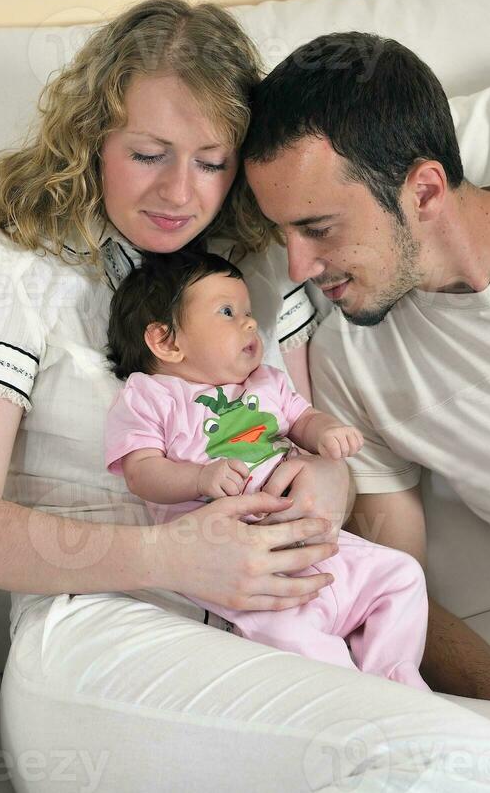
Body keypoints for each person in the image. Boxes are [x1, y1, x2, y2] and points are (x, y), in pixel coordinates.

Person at [0, 0, 490, 793]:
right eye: (149, 153)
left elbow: (303, 444)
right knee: (463, 762)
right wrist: (169, 556)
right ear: (92, 137)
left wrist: (325, 483)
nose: (178, 193)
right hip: (107, 627)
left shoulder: (263, 266)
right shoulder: (2, 270)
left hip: (288, 616)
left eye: (210, 160)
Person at [242, 30, 490, 712]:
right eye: (282, 235)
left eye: (318, 227)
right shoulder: (350, 369)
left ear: (424, 191)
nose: (300, 269)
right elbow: (388, 580)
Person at [104, 249, 430, 688]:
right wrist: (199, 478)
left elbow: (301, 419)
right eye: (227, 312)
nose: (250, 323)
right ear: (166, 341)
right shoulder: (149, 397)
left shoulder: (267, 381)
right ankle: (359, 696)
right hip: (246, 568)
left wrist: (326, 432)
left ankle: (396, 677)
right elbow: (141, 471)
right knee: (291, 637)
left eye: (249, 312)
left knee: (402, 575)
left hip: (320, 544)